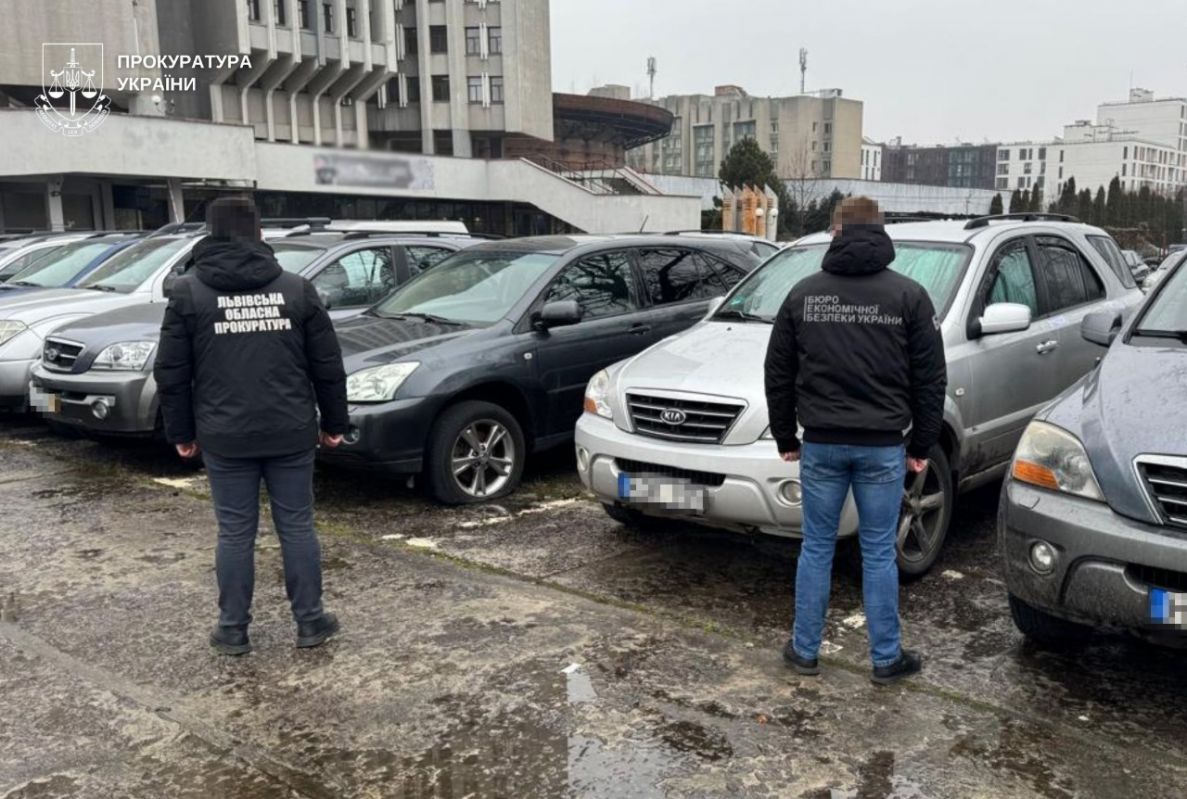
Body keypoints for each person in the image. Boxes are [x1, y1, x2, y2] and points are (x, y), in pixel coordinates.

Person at [154, 197, 349, 656]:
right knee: (296, 525)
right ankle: (310, 621)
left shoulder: (187, 293)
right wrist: (335, 422)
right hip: (290, 430)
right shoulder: (297, 289)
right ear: (260, 234)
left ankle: (233, 630)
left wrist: (181, 433)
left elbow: (172, 372)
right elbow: (327, 366)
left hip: (224, 436)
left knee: (235, 531)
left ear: (210, 234)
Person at [763, 197, 946, 685]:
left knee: (817, 547)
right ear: (881, 232)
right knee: (879, 551)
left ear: (835, 233)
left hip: (822, 444)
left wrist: (785, 434)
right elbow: (930, 379)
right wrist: (921, 445)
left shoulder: (803, 294)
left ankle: (804, 651)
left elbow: (777, 372)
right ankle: (886, 659)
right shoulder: (910, 296)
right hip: (883, 446)